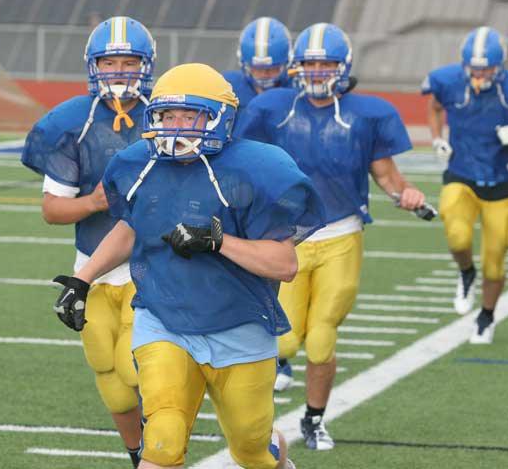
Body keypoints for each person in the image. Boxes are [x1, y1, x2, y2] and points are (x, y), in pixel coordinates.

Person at [52, 63, 324, 468]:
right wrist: (83, 277)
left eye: (189, 115)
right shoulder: (136, 164)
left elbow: (284, 264)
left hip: (240, 327)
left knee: (252, 449)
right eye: (167, 115)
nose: (175, 126)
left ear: (220, 117)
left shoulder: (256, 168)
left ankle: (275, 453)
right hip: (164, 319)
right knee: (161, 439)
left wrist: (219, 242)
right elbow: (131, 227)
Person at [236, 23, 430, 451]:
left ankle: (313, 419)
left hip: (342, 233)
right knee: (286, 337)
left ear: (343, 67)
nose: (318, 71)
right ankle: (265, 406)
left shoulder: (368, 113)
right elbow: (245, 161)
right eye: (310, 63)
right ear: (296, 66)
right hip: (287, 238)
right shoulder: (273, 108)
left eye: (325, 63)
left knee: (321, 337)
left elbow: (385, 174)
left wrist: (406, 194)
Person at [21, 16, 157, 467]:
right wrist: (96, 201)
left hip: (152, 266)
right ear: (93, 66)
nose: (119, 71)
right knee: (110, 376)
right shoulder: (70, 122)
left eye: (128, 61)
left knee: (131, 365)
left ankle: (165, 435)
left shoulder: (167, 115)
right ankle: (139, 453)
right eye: (110, 61)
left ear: (147, 65)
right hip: (94, 267)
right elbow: (52, 210)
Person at [422, 26, 508, 343]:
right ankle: (466, 272)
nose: (479, 74)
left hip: (502, 183)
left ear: (500, 65)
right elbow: (435, 106)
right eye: (474, 68)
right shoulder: (449, 80)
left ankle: (487, 315)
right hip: (461, 174)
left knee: (495, 262)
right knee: (456, 236)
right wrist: (437, 137)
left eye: (485, 68)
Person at [223, 16, 292, 123]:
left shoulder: (296, 91)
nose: (264, 74)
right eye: (257, 68)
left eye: (272, 68)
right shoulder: (226, 87)